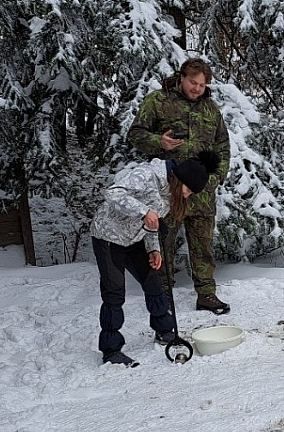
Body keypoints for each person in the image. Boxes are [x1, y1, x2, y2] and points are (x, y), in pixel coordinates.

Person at [90, 153, 219, 367]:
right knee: (114, 292)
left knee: (154, 283)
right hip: (107, 236)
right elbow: (113, 193)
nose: (186, 196)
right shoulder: (147, 175)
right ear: (181, 181)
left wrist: (153, 250)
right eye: (187, 191)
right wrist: (144, 211)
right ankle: (111, 350)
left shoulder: (170, 194)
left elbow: (153, 223)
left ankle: (164, 331)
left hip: (135, 239)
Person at [127, 57, 232, 315]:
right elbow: (136, 135)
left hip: (202, 193)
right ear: (182, 77)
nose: (197, 88)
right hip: (167, 191)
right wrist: (158, 142)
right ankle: (162, 297)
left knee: (203, 245)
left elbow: (223, 147)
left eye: (202, 84)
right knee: (163, 244)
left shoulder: (210, 109)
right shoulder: (159, 101)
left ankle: (206, 295)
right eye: (193, 82)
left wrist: (215, 178)